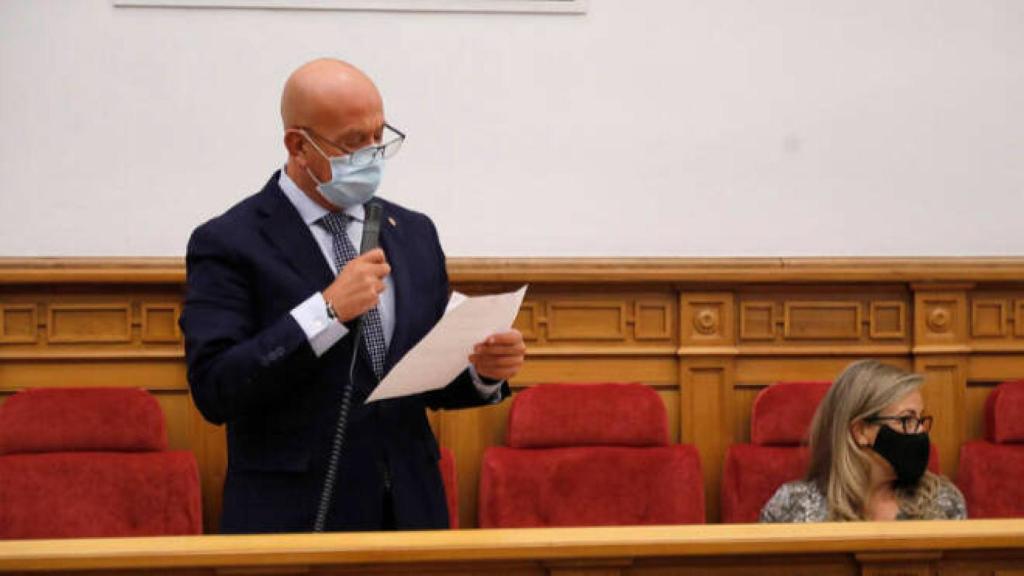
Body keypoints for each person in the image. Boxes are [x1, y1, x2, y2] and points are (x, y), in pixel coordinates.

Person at [179, 58, 526, 533]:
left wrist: (481, 373)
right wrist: (325, 312)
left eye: (378, 136)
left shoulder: (414, 233)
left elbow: (415, 379)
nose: (371, 154)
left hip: (410, 512)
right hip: (296, 518)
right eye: (352, 142)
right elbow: (216, 389)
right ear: (298, 145)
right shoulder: (230, 242)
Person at [760, 359, 966, 522]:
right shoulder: (792, 507)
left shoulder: (943, 502)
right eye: (906, 420)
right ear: (860, 431)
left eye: (920, 420)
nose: (920, 432)